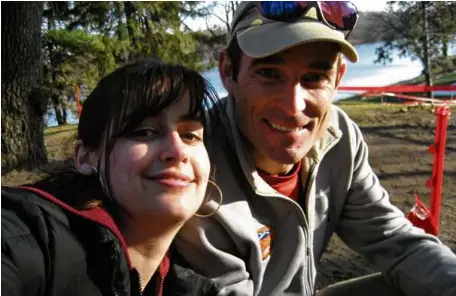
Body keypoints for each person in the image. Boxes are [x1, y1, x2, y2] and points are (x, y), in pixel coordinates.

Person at [174, 2, 456, 296]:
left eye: (314, 78)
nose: (294, 107)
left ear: (338, 79)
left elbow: (397, 242)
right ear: (228, 72)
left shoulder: (338, 137)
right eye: (269, 73)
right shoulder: (191, 167)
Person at [2, 59, 224, 296]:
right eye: (144, 132)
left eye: (190, 135)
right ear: (86, 158)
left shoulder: (188, 287)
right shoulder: (29, 239)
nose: (178, 152)